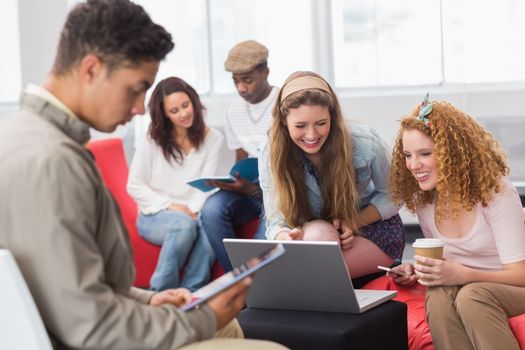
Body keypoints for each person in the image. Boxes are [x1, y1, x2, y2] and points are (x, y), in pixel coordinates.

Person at [0, 1, 286, 349]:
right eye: (136, 89)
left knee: (230, 329)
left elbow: (67, 287)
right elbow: (90, 327)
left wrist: (147, 300)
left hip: (99, 321)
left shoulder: (20, 133)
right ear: (91, 69)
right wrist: (203, 317)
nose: (139, 108)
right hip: (98, 338)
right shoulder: (54, 161)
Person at [388, 94, 525, 349]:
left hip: (512, 285)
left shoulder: (496, 194)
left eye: (425, 153)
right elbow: (447, 263)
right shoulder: (425, 203)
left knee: (473, 296)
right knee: (439, 294)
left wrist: (464, 274)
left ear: (452, 153)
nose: (413, 165)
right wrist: (417, 270)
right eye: (407, 155)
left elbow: (521, 274)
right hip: (470, 286)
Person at [260, 71, 405, 278]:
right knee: (317, 237)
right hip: (314, 234)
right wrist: (286, 237)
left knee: (316, 271)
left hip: (371, 231)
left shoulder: (364, 142)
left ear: (332, 116)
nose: (311, 135)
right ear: (284, 121)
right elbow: (275, 222)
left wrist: (354, 221)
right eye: (300, 126)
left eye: (321, 123)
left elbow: (395, 194)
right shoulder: (270, 154)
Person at [127, 77, 220, 292]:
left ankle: (191, 295)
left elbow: (205, 184)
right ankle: (160, 295)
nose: (183, 114)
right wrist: (172, 206)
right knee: (183, 224)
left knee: (210, 227)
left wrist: (194, 211)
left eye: (186, 106)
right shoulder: (152, 140)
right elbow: (134, 185)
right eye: (174, 111)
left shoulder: (213, 138)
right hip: (155, 215)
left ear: (194, 102)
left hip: (194, 213)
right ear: (165, 114)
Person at [199, 40, 278, 272]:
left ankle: (252, 286)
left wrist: (256, 190)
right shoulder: (233, 109)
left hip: (278, 193)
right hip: (249, 191)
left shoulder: (284, 102)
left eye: (247, 80)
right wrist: (233, 183)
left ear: (265, 72)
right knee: (211, 209)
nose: (241, 88)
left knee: (261, 241)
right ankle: (239, 281)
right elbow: (241, 160)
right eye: (236, 81)